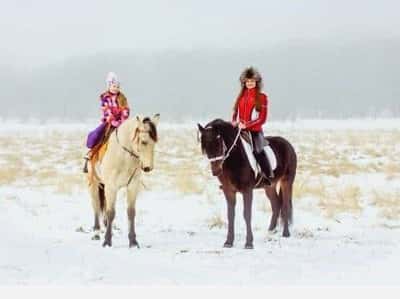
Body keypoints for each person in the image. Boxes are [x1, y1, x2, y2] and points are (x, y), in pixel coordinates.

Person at [232, 66, 274, 184]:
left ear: (256, 82)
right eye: (247, 81)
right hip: (240, 129)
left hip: (255, 131)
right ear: (244, 83)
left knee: (257, 151)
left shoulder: (262, 97)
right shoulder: (241, 97)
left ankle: (267, 175)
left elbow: (262, 118)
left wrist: (247, 125)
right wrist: (234, 121)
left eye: (252, 81)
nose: (250, 83)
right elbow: (235, 112)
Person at [83, 72, 130, 173]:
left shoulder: (122, 98)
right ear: (109, 86)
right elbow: (106, 110)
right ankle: (91, 153)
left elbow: (125, 110)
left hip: (121, 123)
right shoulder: (105, 98)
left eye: (117, 86)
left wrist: (122, 121)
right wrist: (112, 121)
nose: (115, 88)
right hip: (109, 122)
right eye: (113, 86)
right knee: (99, 135)